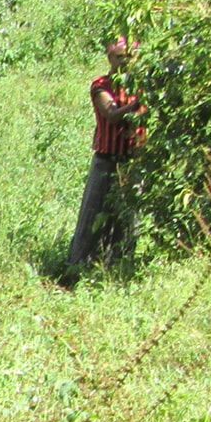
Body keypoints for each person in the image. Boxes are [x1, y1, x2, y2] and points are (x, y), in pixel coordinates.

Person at [66, 35, 144, 272]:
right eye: (119, 56)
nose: (124, 61)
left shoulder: (141, 84)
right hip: (106, 161)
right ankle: (77, 266)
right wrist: (137, 104)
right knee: (93, 215)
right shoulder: (101, 84)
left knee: (128, 219)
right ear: (110, 58)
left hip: (132, 161)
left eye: (129, 56)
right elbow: (111, 114)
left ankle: (120, 266)